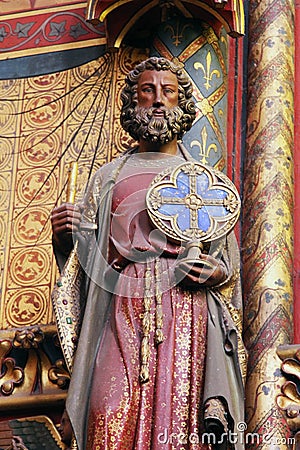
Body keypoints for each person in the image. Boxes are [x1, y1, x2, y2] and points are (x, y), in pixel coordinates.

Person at [51, 57, 246, 450]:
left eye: (168, 91)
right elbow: (86, 269)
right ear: (132, 102)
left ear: (182, 104)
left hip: (184, 309)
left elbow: (228, 264)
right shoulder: (106, 177)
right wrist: (67, 238)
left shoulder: (204, 178)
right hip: (120, 304)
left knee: (179, 417)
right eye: (147, 90)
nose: (158, 100)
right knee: (106, 412)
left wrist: (216, 274)